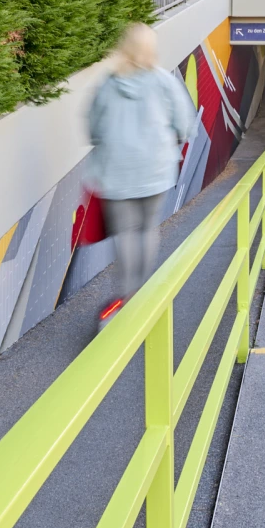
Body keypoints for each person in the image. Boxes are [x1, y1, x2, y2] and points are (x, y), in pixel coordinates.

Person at [87, 23, 195, 324]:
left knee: (125, 234)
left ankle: (125, 296)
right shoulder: (164, 81)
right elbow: (185, 124)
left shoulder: (108, 84)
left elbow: (93, 130)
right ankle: (142, 292)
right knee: (147, 229)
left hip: (116, 174)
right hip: (155, 171)